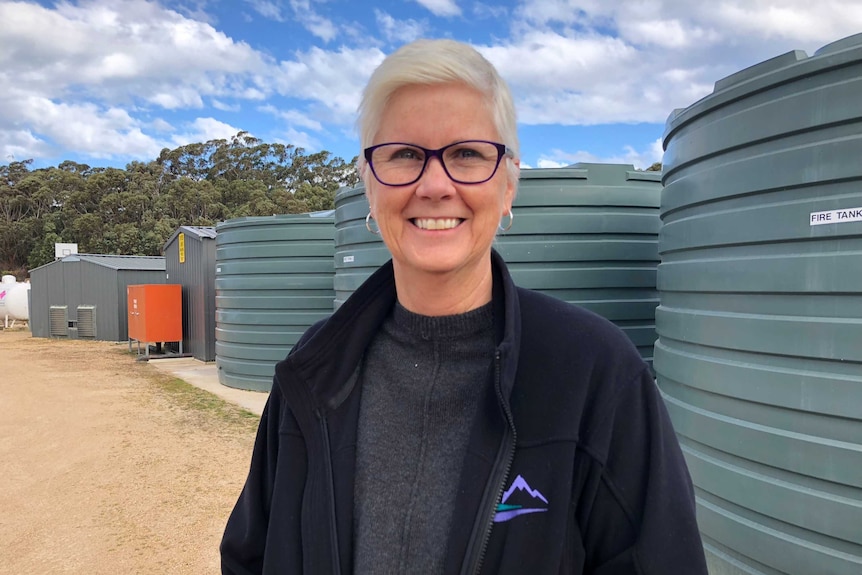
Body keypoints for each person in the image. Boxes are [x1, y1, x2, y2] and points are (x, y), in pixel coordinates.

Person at [220, 38, 708, 574]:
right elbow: (252, 556)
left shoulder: (594, 374)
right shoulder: (314, 369)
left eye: (467, 154)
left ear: (507, 187)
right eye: (404, 154)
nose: (434, 185)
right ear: (368, 183)